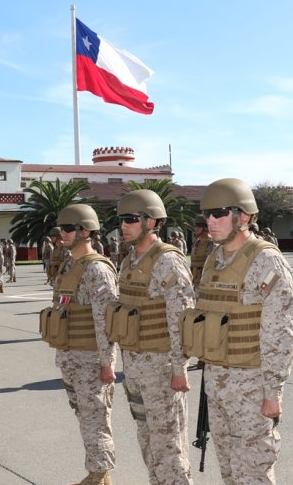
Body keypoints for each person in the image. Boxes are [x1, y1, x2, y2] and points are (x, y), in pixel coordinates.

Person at [184, 178, 293, 483]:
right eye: (207, 214)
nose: (211, 221)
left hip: (252, 385)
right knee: (230, 468)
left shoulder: (265, 259)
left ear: (244, 216)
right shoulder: (214, 260)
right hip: (217, 382)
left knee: (254, 471)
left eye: (219, 213)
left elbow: (282, 333)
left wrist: (273, 392)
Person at [112, 189, 195, 484]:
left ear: (151, 222)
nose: (123, 225)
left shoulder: (167, 262)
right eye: (121, 219)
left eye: (130, 219)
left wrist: (179, 369)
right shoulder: (128, 263)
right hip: (135, 368)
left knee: (169, 446)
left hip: (161, 370)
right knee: (147, 441)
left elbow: (181, 321)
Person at [42, 204, 119, 485]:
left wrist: (107, 363)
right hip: (70, 355)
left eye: (68, 229)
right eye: (62, 229)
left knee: (95, 418)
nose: (62, 234)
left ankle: (99, 474)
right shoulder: (69, 265)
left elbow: (105, 321)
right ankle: (100, 473)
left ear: (85, 231)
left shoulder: (97, 270)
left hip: (90, 359)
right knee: (84, 415)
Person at [189, 214, 215, 289]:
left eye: (199, 226)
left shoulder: (212, 244)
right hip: (196, 285)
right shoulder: (196, 244)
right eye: (195, 226)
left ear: (206, 228)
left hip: (207, 286)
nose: (196, 228)